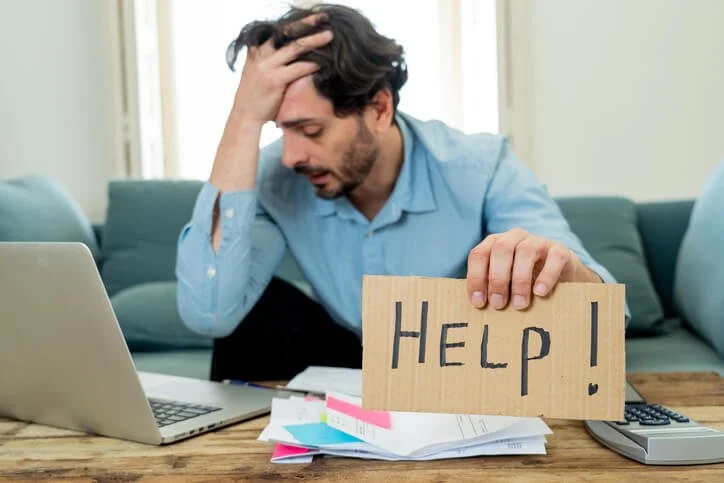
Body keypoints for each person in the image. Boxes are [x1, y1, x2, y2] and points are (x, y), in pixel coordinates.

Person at [175, 4, 619, 382]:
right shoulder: (275, 175)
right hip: (341, 363)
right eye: (279, 129)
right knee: (263, 310)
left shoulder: (480, 167)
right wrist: (243, 120)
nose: (290, 156)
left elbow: (607, 323)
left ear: (380, 109)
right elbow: (210, 313)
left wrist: (556, 270)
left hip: (455, 365)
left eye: (310, 130)